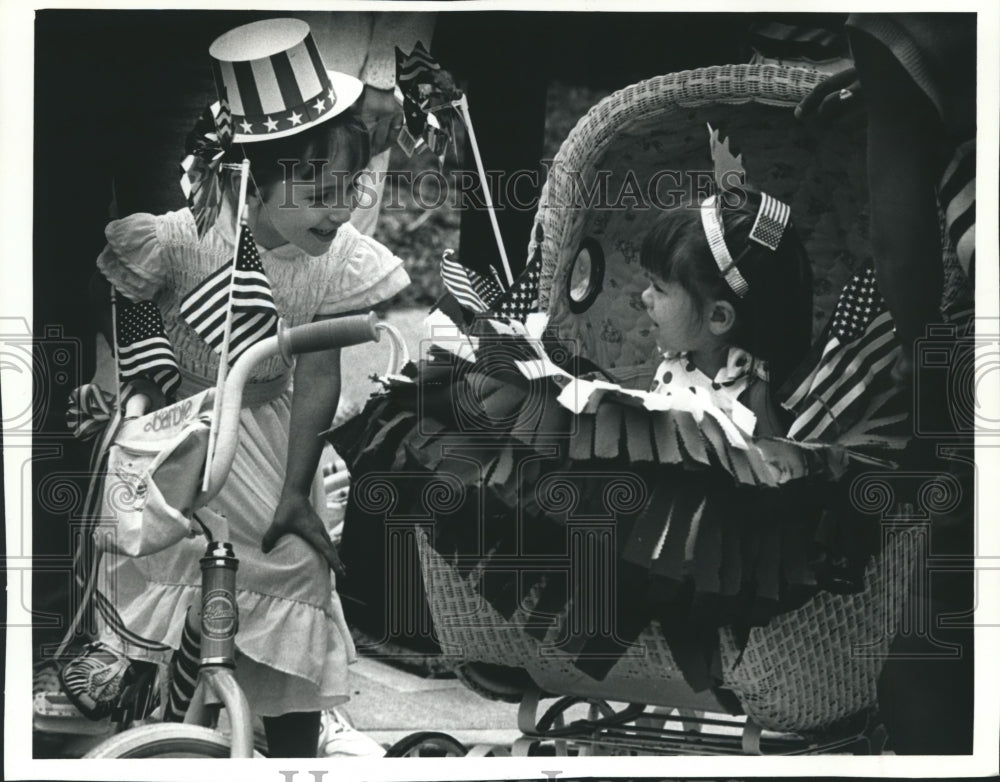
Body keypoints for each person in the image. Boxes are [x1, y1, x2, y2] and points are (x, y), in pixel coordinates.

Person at [88, 18, 410, 757]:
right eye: (321, 189)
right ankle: (153, 728)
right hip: (183, 438)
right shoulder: (185, 235)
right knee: (157, 558)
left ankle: (295, 741)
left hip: (266, 440)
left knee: (293, 563)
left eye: (350, 190)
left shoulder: (335, 261)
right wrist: (143, 379)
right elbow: (133, 289)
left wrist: (298, 488)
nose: (340, 208)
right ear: (255, 178)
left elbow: (318, 378)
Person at [639, 188, 813, 437]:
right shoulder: (678, 351)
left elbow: (768, 466)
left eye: (658, 288)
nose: (645, 297)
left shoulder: (751, 398)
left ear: (718, 317)